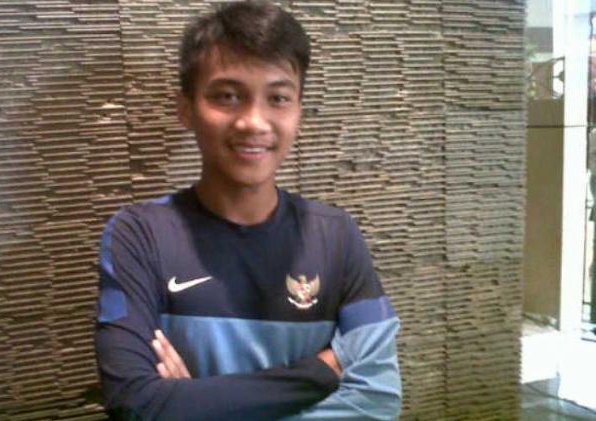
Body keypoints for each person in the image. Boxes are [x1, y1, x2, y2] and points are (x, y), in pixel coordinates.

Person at [95, 1, 401, 419]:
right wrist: (319, 373)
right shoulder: (140, 235)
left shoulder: (336, 236)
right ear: (186, 108)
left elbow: (377, 402)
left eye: (278, 97)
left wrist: (194, 406)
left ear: (298, 111)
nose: (254, 121)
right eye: (227, 96)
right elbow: (136, 403)